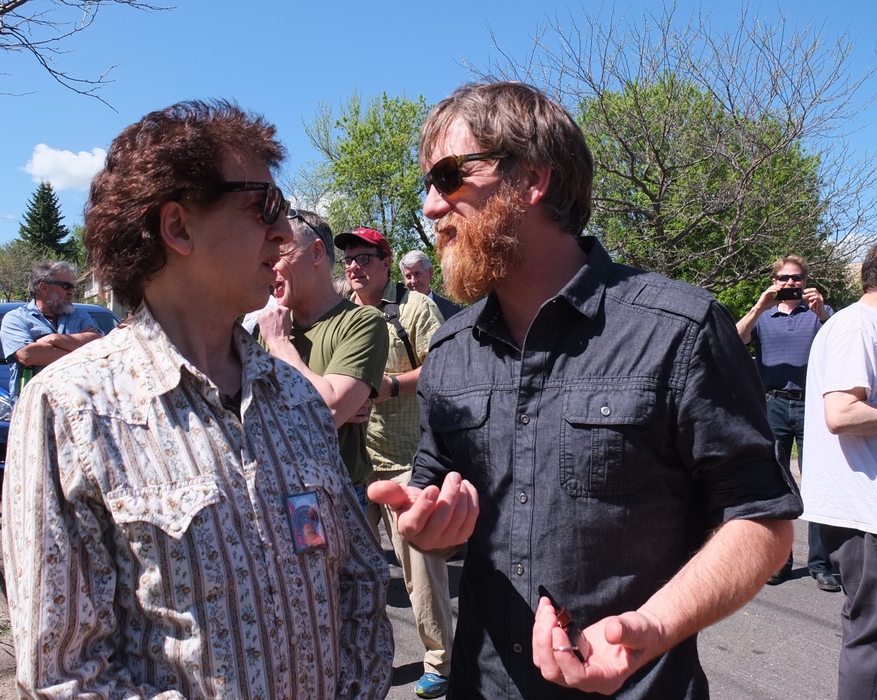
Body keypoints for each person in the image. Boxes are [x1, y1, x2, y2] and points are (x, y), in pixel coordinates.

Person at [369, 81, 803, 699]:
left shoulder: (678, 330)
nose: (433, 208)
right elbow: (433, 481)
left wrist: (653, 626)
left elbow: (761, 520)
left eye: (448, 177)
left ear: (533, 180)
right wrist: (423, 521)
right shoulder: (450, 349)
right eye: (428, 187)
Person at [1, 100, 393, 699]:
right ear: (178, 227)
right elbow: (66, 673)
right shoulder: (72, 410)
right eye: (264, 207)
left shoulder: (294, 396)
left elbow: (362, 585)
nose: (284, 232)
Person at [335, 227, 454, 699]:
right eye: (347, 259)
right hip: (355, 464)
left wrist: (391, 386)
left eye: (363, 257)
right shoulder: (343, 313)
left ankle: (440, 662)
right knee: (355, 575)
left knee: (420, 573)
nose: (353, 267)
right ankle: (366, 657)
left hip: (407, 460)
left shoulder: (415, 308)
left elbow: (443, 368)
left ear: (386, 263)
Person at [258, 208, 389, 508]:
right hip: (273, 493)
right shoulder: (267, 325)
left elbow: (328, 411)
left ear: (316, 252)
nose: (268, 268)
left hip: (335, 496)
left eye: (278, 255)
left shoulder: (362, 321)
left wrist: (279, 344)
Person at [801, 243, 877, 700]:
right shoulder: (856, 326)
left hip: (865, 508)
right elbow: (842, 414)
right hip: (862, 511)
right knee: (871, 635)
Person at [735, 255, 838, 590]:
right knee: (777, 485)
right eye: (783, 279)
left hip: (813, 406)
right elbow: (734, 342)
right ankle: (780, 561)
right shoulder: (763, 317)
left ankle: (821, 564)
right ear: (774, 281)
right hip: (773, 405)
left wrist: (822, 312)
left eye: (796, 278)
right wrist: (758, 307)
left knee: (817, 484)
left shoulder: (821, 315)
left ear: (806, 281)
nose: (790, 284)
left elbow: (839, 341)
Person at [0, 260, 102, 399]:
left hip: (78, 405)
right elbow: (28, 355)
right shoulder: (16, 319)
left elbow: (98, 344)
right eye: (66, 286)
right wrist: (82, 348)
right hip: (34, 407)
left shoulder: (80, 315)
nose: (71, 291)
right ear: (43, 287)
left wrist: (54, 339)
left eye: (72, 286)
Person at [400, 249, 463, 319]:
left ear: (430, 272)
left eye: (417, 274)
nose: (413, 281)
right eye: (408, 276)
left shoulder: (453, 310)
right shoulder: (399, 312)